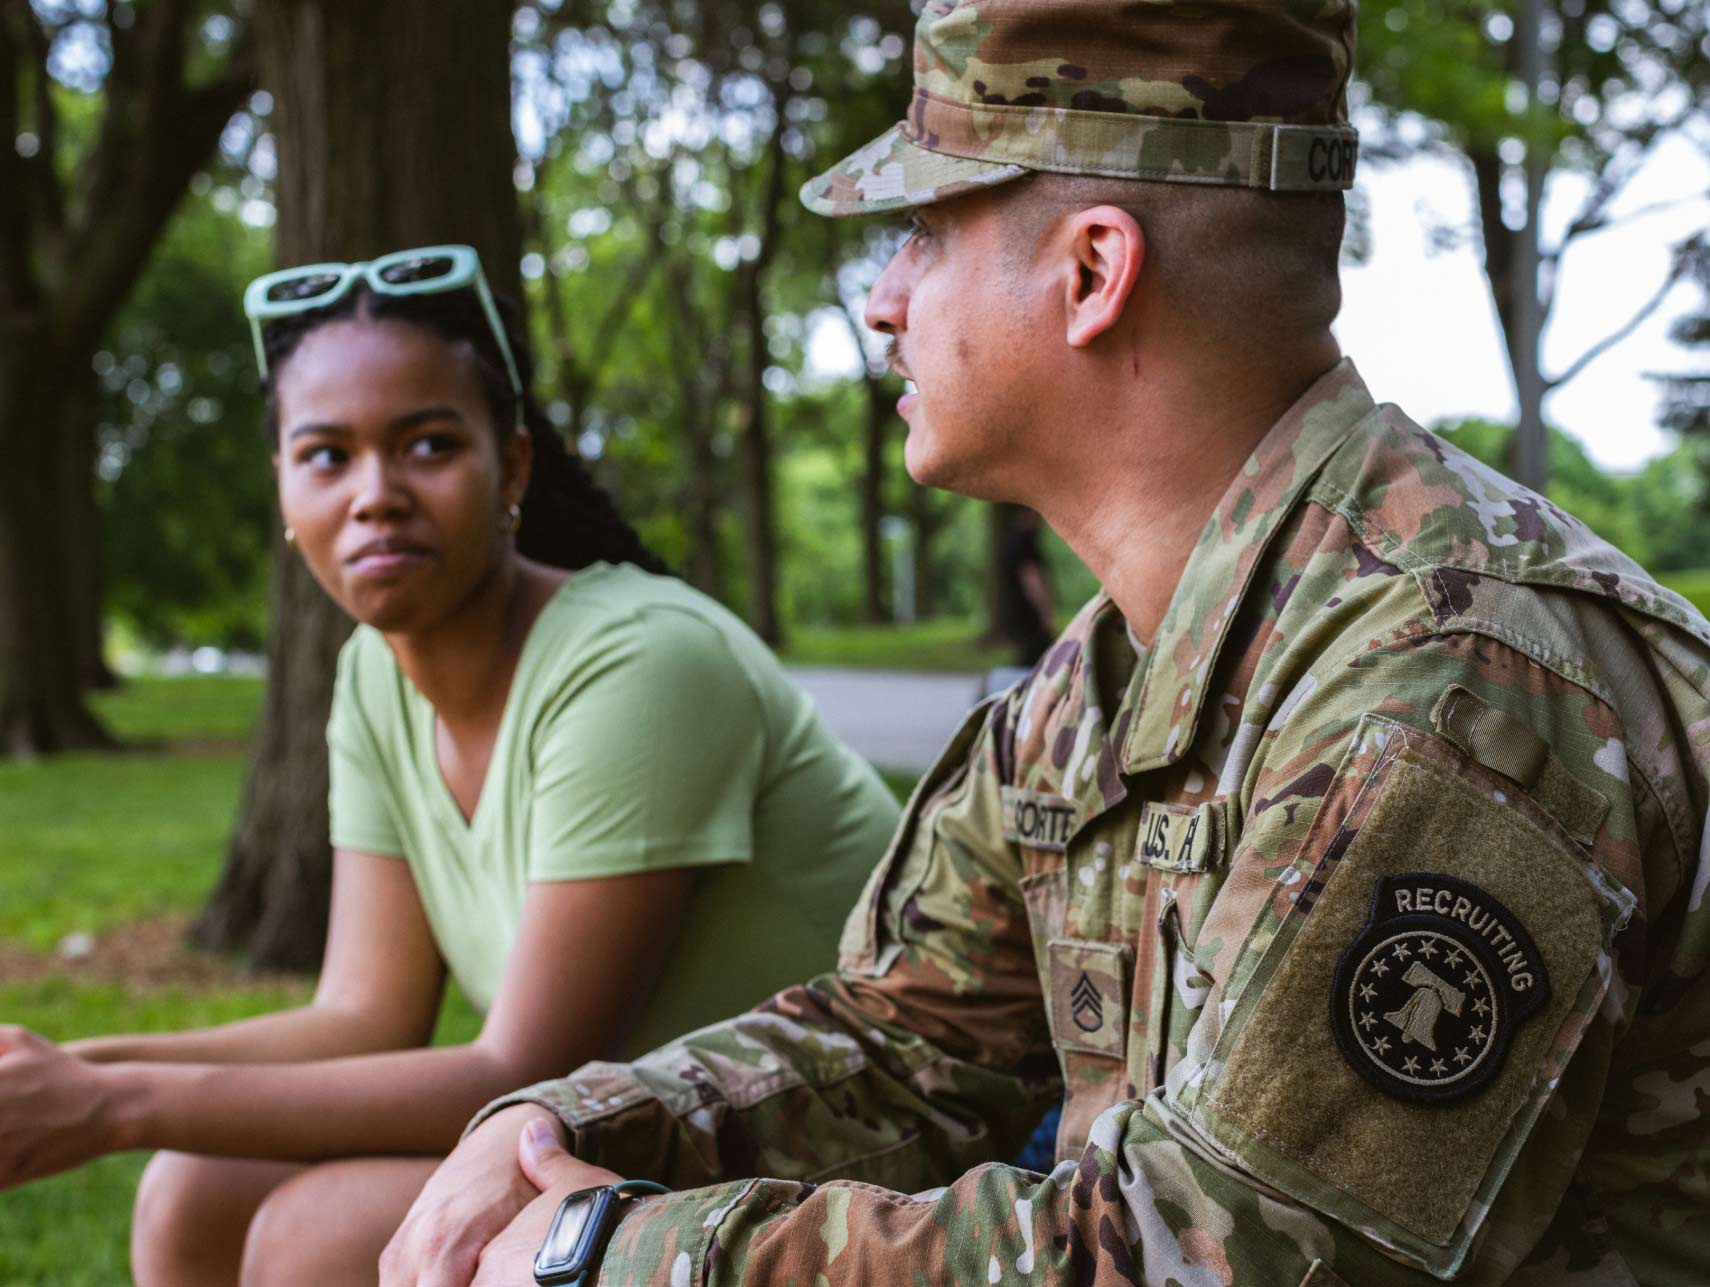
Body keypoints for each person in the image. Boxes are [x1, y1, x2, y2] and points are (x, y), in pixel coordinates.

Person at [383, 2, 1710, 1282]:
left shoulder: (1450, 675)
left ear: (1089, 272)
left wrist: (615, 1253)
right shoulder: (1103, 678)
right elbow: (908, 1039)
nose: (883, 299)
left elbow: (1213, 1263)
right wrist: (564, 1132)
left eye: (922, 233)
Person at [0, 246, 900, 1286]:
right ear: (286, 493)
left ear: (511, 467)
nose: (374, 494)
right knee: (191, 1186)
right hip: (630, 1122)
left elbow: (522, 1068)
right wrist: (63, 1073)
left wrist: (109, 1105)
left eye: (427, 444)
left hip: (837, 1144)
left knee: (317, 1232)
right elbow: (362, 1017)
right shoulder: (374, 678)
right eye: (326, 455)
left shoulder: (641, 661)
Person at [997, 506, 1056, 667]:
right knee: (1038, 660)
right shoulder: (1026, 541)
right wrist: (1045, 611)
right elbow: (1031, 578)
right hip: (1028, 613)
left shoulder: (1009, 538)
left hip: (1014, 609)